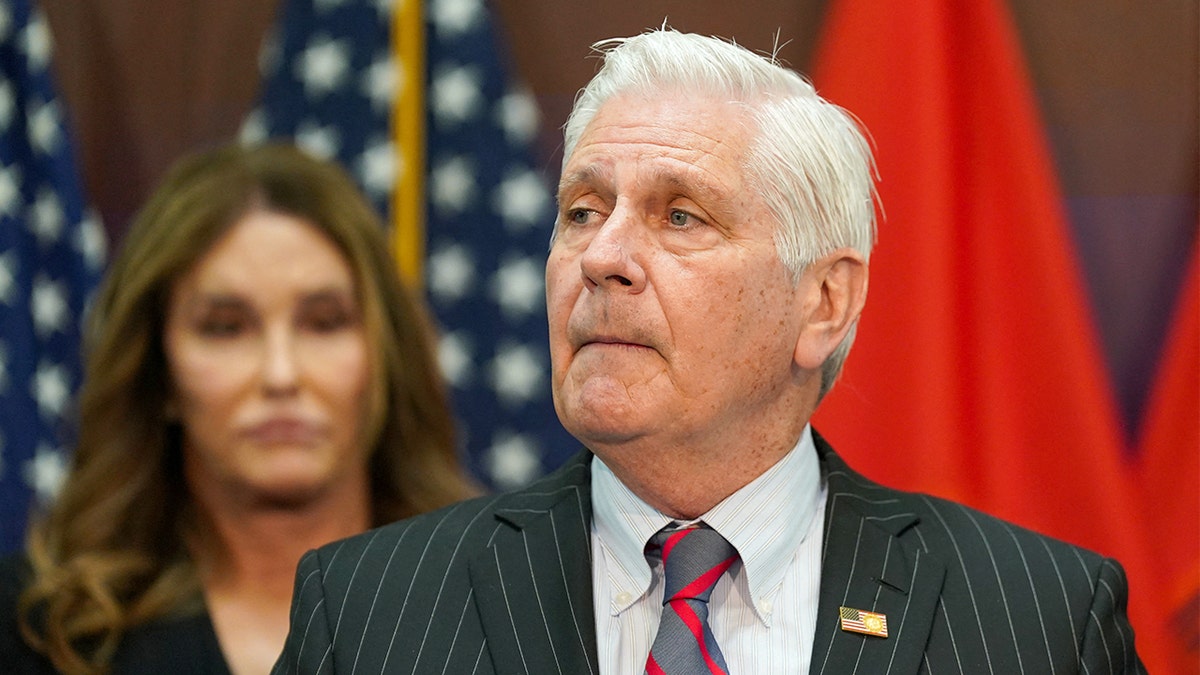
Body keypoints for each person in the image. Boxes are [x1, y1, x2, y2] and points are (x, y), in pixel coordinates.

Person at [272, 29, 1143, 674]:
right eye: (582, 210)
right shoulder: (368, 612)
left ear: (824, 301)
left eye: (679, 216)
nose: (604, 257)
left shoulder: (1039, 620)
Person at [0, 143, 478, 675]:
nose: (281, 375)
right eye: (226, 327)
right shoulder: (42, 631)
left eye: (323, 322)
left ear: (384, 354)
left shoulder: (502, 601)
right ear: (160, 372)